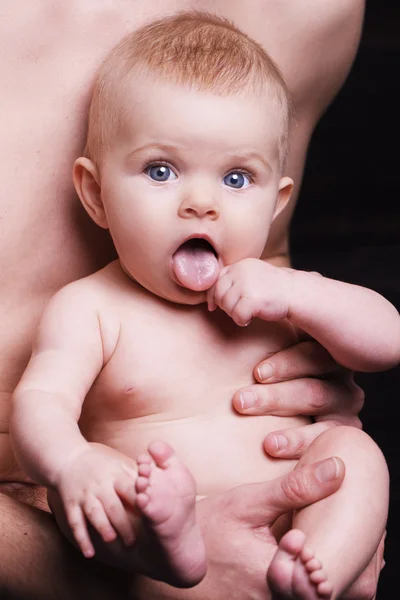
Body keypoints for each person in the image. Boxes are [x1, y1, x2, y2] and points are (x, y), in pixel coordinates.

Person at [0, 1, 384, 599]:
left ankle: (323, 565)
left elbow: (384, 341)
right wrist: (72, 463)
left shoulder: (272, 294)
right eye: (160, 171)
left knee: (355, 453)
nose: (201, 203)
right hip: (154, 511)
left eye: (236, 179)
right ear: (95, 195)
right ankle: (168, 545)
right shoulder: (92, 308)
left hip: (288, 495)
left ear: (277, 200)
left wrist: (299, 291)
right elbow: (41, 401)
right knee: (106, 498)